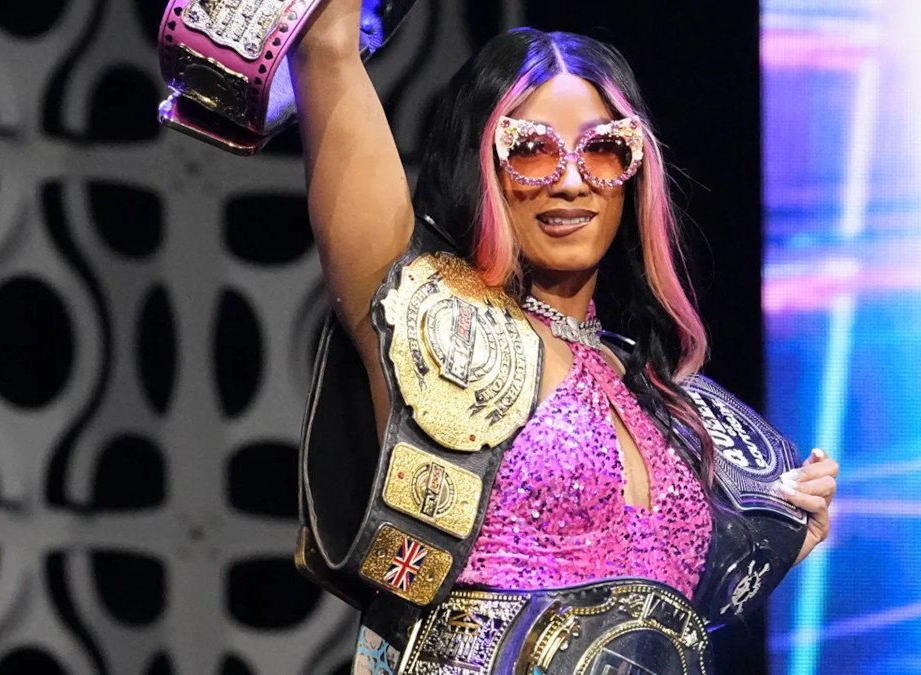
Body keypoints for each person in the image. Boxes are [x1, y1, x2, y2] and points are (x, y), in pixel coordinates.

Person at [288, 1, 839, 672]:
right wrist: (326, 37)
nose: (572, 180)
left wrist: (782, 531)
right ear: (481, 165)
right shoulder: (436, 322)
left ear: (634, 171)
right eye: (531, 149)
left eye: (603, 149)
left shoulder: (666, 399)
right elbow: (329, 53)